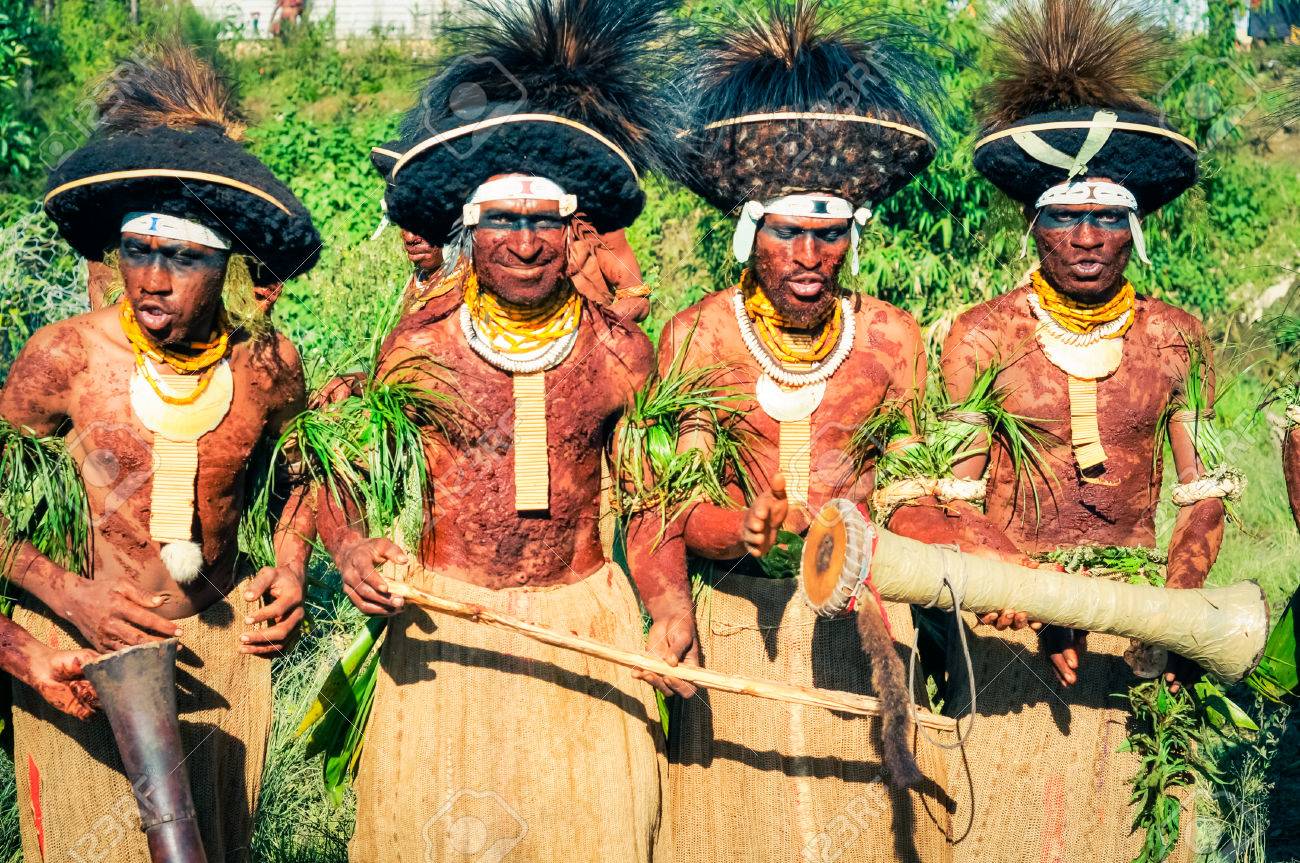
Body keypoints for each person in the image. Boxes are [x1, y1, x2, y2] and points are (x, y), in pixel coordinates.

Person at [316, 1, 688, 860]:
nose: (524, 243)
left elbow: (652, 496)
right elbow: (344, 470)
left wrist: (665, 602)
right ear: (468, 232)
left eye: (543, 222)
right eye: (502, 223)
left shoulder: (620, 351)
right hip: (450, 626)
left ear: (576, 232)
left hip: (586, 619)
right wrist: (350, 549)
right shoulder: (421, 344)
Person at [3, 45, 320, 862]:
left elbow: (301, 477)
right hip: (84, 651)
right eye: (138, 252)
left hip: (219, 650)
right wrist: (70, 597)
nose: (152, 280)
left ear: (227, 266)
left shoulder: (266, 367)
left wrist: (287, 563)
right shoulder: (63, 358)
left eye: (182, 259)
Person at [654, 4, 955, 860]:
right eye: (789, 232)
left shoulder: (892, 340)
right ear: (752, 234)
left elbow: (910, 492)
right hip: (742, 623)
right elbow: (677, 504)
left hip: (865, 624)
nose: (811, 255)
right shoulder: (699, 337)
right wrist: (737, 529)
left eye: (830, 235)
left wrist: (960, 547)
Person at [928, 0, 1225, 858]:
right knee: (1015, 828)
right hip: (1012, 615)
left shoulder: (1174, 335)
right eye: (1064, 216)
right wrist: (1037, 594)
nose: (1086, 238)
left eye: (1106, 218)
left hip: (1142, 612)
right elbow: (957, 497)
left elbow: (1203, 493)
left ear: (1134, 228)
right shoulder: (980, 337)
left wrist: (1172, 611)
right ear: (1034, 224)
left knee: (1131, 822)